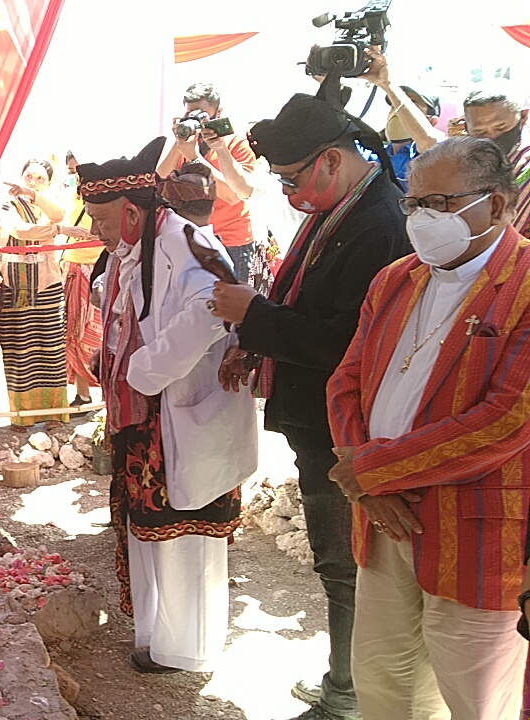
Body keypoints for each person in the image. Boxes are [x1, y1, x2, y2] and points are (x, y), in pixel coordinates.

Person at [210, 90, 412, 720]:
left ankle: (349, 695)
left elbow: (346, 343)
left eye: (294, 179)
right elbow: (302, 302)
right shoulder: (341, 206)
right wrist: (255, 336)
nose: (290, 194)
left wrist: (256, 318)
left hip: (345, 426)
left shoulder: (380, 222)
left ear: (331, 160)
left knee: (345, 562)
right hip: (317, 417)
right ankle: (344, 682)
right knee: (338, 560)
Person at [326, 136, 530, 720]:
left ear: (495, 206)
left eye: (439, 204)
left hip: (478, 527)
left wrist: (367, 472)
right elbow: (346, 382)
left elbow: (506, 419)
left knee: (473, 697)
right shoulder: (395, 278)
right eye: (414, 203)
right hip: (386, 518)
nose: (421, 219)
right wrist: (368, 485)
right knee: (384, 682)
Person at [82, 137, 256, 675]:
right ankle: (156, 634)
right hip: (143, 412)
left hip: (175, 409)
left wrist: (139, 368)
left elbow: (209, 312)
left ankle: (185, 647)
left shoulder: (187, 244)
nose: (95, 232)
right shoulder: (132, 248)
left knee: (185, 528)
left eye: (102, 220)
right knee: (147, 524)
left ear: (132, 211)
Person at [0, 158, 85, 430]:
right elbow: (19, 230)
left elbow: (58, 214)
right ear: (20, 175)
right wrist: (60, 231)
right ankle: (22, 417)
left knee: (51, 351)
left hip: (47, 286)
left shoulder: (47, 204)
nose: (32, 182)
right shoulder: (5, 203)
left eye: (39, 179)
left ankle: (55, 414)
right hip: (14, 288)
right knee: (19, 353)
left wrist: (35, 196)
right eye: (29, 177)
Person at [157, 83, 258, 283]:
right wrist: (180, 143)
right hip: (190, 239)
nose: (196, 120)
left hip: (231, 241)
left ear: (218, 113)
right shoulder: (185, 144)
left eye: (202, 114)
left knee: (231, 307)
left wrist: (195, 158)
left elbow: (233, 195)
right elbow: (159, 180)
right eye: (189, 114)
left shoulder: (235, 143)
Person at [357, 48, 446, 187]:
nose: (397, 110)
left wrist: (386, 84)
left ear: (432, 121)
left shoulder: (440, 149)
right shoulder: (374, 149)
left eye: (411, 103)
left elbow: (429, 142)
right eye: (394, 102)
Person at [59, 150, 100, 407]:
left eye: (81, 170)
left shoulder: (107, 198)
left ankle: (109, 397)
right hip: (73, 269)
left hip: (98, 270)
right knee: (74, 334)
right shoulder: (69, 198)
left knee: (101, 335)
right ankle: (82, 395)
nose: (77, 177)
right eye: (73, 171)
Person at [462, 82, 530, 235]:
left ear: (523, 117)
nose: (492, 137)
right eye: (480, 132)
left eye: (501, 128)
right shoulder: (461, 161)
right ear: (466, 128)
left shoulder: (526, 164)